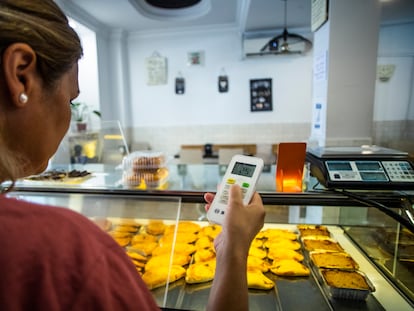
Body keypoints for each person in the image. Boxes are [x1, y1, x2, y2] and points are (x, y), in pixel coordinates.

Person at [0, 1, 265, 310]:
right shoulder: (61, 250)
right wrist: (233, 247)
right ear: (21, 75)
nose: (69, 114)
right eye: (71, 100)